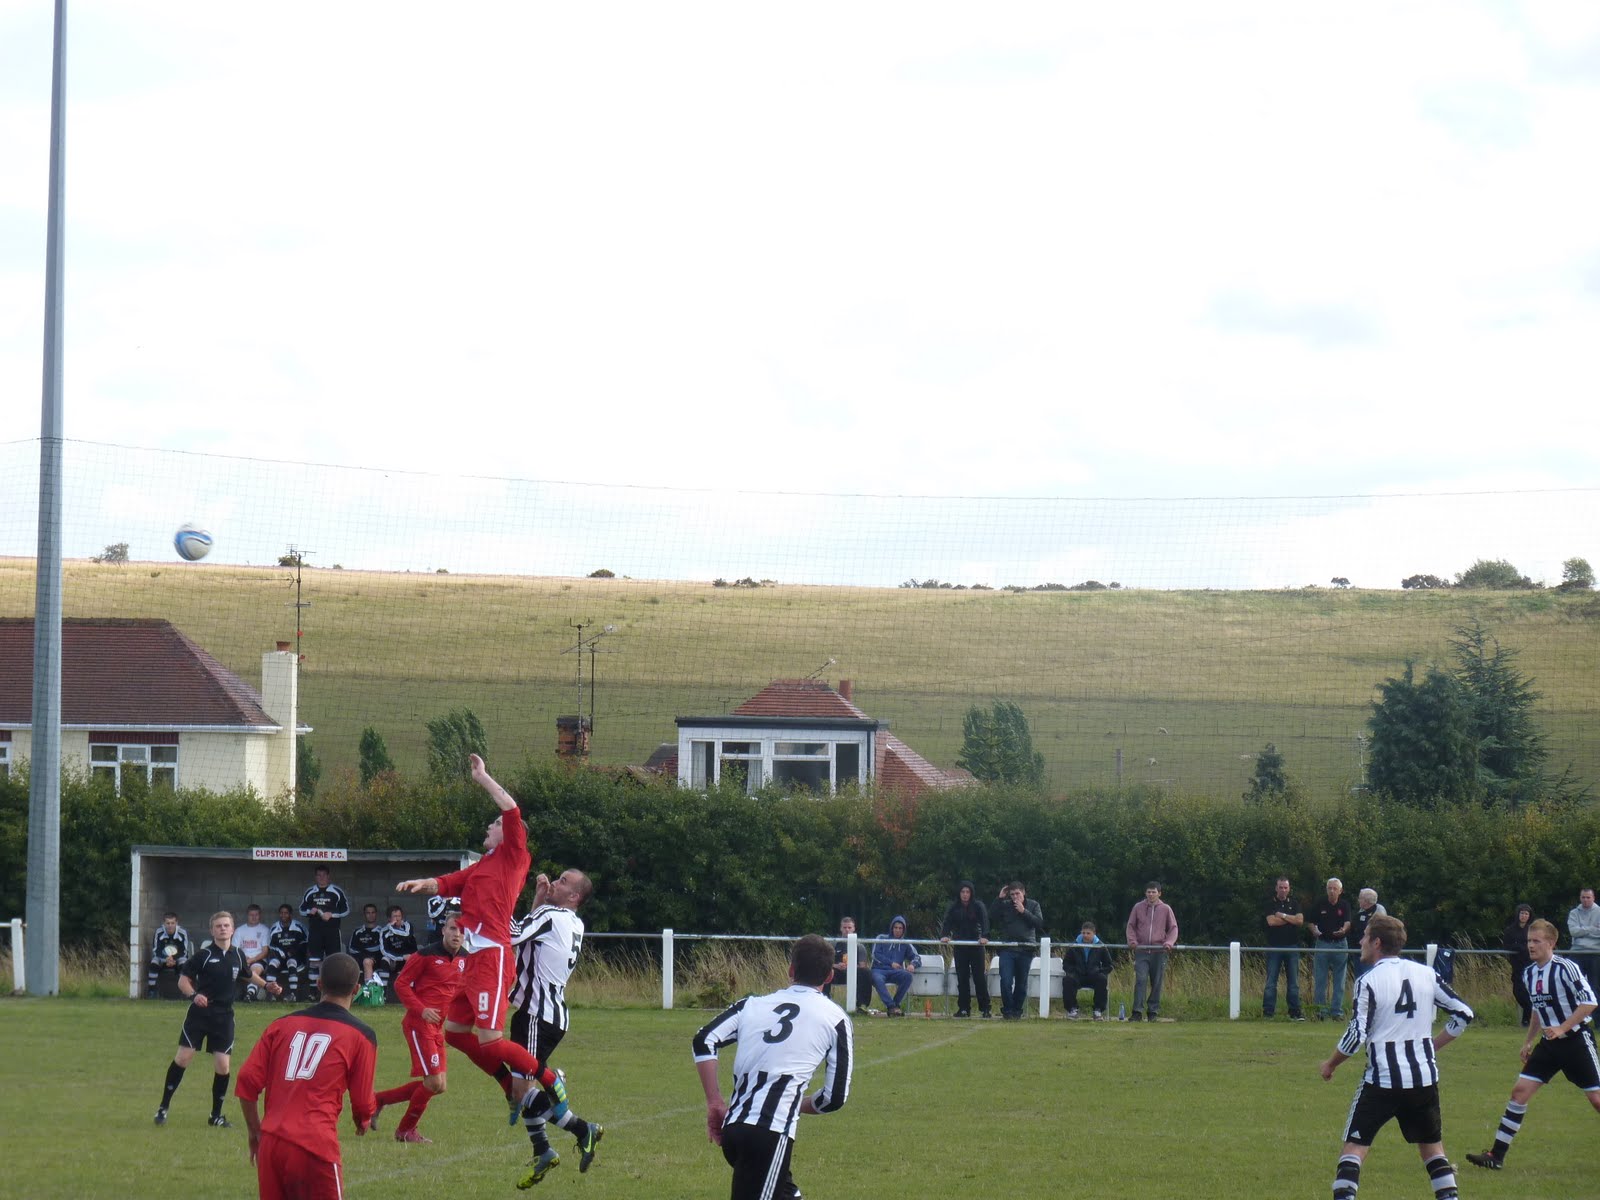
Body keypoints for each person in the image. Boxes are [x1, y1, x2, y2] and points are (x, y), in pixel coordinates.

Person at [395, 754, 568, 1128]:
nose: (489, 828)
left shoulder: (514, 855)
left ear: (508, 831)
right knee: (456, 1033)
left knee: (490, 1040)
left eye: (493, 825)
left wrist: (482, 777)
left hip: (492, 956)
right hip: (472, 961)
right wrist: (421, 883)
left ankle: (551, 1080)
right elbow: (447, 883)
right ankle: (509, 1085)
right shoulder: (483, 865)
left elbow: (511, 808)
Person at [1318, 914, 1474, 1200]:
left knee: (1354, 1149)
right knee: (1433, 1150)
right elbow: (1465, 1013)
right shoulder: (1426, 974)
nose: (1361, 941)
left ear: (1377, 942)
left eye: (1365, 936)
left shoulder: (1369, 981)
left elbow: (1356, 1034)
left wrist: (1330, 1064)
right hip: (1423, 1080)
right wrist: (1432, 1046)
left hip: (1383, 1081)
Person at [692, 934, 852, 1200]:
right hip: (769, 1134)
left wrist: (715, 1102)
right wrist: (795, 1103)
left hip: (734, 1128)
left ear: (791, 970)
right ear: (829, 977)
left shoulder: (752, 1004)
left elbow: (704, 1040)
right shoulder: (835, 1018)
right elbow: (834, 1098)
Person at [236, 952, 377, 1199]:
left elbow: (247, 1081)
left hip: (271, 1143)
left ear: (319, 984)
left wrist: (255, 1131)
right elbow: (364, 1103)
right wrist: (362, 1120)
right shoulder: (361, 1035)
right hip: (314, 1145)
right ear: (356, 989)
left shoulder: (281, 1024)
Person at [1465, 917, 1600, 1172]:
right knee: (1519, 1093)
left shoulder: (1565, 968)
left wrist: (1562, 1027)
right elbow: (1539, 1010)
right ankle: (1496, 1155)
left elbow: (1589, 1002)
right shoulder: (1529, 973)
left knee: (1596, 1100)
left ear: (1551, 943)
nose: (1530, 945)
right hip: (1549, 1045)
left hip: (1576, 1041)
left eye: (1536, 941)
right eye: (1529, 940)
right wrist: (1528, 1042)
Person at [502, 868, 604, 1188]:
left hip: (537, 1016)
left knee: (520, 1092)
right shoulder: (572, 921)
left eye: (562, 882)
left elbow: (513, 935)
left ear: (573, 897)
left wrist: (496, 897)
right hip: (545, 1016)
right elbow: (530, 935)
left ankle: (574, 1118)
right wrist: (537, 897)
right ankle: (543, 1149)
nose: (554, 883)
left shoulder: (552, 914)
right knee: (522, 1090)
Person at [154, 910, 277, 1127]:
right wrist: (194, 995)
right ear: (212, 930)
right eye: (218, 926)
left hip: (224, 1017)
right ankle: (163, 1107)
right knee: (183, 1058)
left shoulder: (238, 954)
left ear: (232, 928)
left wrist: (266, 985)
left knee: (223, 1066)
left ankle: (215, 1116)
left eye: (226, 925)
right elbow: (183, 981)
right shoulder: (203, 955)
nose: (222, 929)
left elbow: (247, 974)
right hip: (199, 1015)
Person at [373, 911, 466, 1144]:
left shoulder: (467, 959)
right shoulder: (424, 955)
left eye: (462, 930)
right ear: (443, 930)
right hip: (418, 1024)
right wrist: (421, 1009)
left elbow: (464, 990)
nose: (457, 934)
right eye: (453, 928)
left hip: (438, 1027)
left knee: (439, 1086)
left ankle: (379, 1100)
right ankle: (405, 1130)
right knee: (433, 1083)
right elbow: (401, 984)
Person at [990, 881, 1044, 1019]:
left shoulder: (1033, 905)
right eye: (1012, 894)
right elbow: (992, 916)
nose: (1015, 897)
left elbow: (1039, 923)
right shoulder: (1005, 905)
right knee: (1006, 981)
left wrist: (1023, 912)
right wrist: (999, 898)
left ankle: (1017, 1010)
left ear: (1023, 892)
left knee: (1021, 983)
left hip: (1026, 949)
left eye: (1017, 894)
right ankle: (1007, 1011)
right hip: (1007, 949)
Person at [1126, 881, 1178, 1022]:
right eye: (1148, 892)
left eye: (1154, 892)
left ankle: (1153, 1012)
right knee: (1141, 980)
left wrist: (1168, 943)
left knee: (1156, 982)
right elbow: (1131, 926)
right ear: (1145, 893)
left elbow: (1173, 928)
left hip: (1159, 952)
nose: (1151, 894)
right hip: (1142, 951)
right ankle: (1137, 1012)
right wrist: (1132, 941)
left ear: (1159, 893)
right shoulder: (1138, 907)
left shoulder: (1166, 909)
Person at [939, 880, 991, 1019]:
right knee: (962, 978)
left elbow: (985, 921)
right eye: (963, 892)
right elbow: (947, 922)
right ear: (959, 893)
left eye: (968, 892)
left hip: (976, 946)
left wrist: (984, 936)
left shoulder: (978, 906)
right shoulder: (954, 907)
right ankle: (963, 1008)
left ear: (971, 893)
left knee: (979, 978)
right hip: (960, 946)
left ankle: (985, 1009)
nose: (965, 895)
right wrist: (944, 935)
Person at [299, 864, 351, 1000]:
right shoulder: (310, 892)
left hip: (332, 932)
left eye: (324, 875)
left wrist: (332, 914)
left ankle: (332, 992)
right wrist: (309, 912)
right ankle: (313, 992)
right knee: (315, 961)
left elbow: (346, 910)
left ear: (328, 876)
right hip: (315, 931)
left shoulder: (336, 892)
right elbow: (301, 909)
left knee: (333, 961)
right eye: (318, 875)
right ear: (315, 877)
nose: (321, 878)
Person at [1263, 875, 1306, 1021]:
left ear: (1289, 889)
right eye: (1280, 887)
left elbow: (1299, 921)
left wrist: (1282, 915)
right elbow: (1271, 922)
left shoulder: (1294, 903)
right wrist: (1290, 920)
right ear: (1276, 888)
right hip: (1274, 947)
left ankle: (1295, 1012)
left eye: (1285, 887)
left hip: (1292, 947)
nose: (1283, 890)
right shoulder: (1270, 903)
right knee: (1271, 982)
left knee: (1293, 982)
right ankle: (1268, 1012)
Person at [1312, 877, 1353, 1021]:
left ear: (1340, 891)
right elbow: (1310, 922)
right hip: (1322, 943)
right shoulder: (1320, 904)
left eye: (1335, 888)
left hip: (1340, 943)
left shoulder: (1344, 905)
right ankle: (1320, 1012)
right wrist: (1314, 930)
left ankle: (1337, 1012)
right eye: (1329, 888)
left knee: (1339, 981)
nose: (1332, 891)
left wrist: (1344, 930)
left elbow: (1348, 922)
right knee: (1320, 979)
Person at [869, 915, 920, 1016]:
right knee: (877, 979)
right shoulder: (881, 938)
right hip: (879, 970)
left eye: (900, 928)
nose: (897, 930)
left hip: (896, 972)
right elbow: (875, 954)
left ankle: (895, 1005)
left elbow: (917, 957)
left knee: (907, 976)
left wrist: (913, 965)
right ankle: (891, 1006)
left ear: (903, 930)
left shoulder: (906, 943)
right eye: (895, 928)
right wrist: (890, 963)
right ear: (891, 928)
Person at [1062, 920, 1113, 1020]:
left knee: (1102, 979)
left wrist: (1100, 971)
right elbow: (1066, 963)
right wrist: (1072, 971)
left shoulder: (1101, 946)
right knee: (1068, 980)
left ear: (1094, 934)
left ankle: (1098, 1010)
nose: (1085, 935)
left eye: (1088, 933)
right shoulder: (1074, 946)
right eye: (1083, 933)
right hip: (1078, 974)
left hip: (1093, 974)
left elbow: (1109, 965)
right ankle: (1072, 1009)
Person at [265, 903, 311, 1002]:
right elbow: (271, 945)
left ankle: (293, 994)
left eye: (286, 913)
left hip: (296, 957)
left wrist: (294, 951)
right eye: (281, 913)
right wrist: (280, 953)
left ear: (290, 914)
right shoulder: (274, 927)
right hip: (280, 956)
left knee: (291, 962)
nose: (283, 915)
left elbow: (305, 942)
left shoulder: (299, 926)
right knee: (272, 963)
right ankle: (271, 994)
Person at [828, 917, 872, 1012]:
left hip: (854, 974)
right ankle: (824, 1001)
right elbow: (826, 962)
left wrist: (851, 966)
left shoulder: (860, 946)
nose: (847, 930)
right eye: (844, 927)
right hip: (838, 973)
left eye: (849, 927)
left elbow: (862, 965)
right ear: (840, 929)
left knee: (866, 972)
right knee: (825, 970)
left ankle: (862, 1005)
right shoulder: (833, 944)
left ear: (853, 928)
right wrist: (836, 966)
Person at [1501, 903, 1534, 1026]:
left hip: (1530, 964)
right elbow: (1507, 945)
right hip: (1517, 965)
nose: (1524, 916)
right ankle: (1529, 1012)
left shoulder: (1532, 929)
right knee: (1518, 991)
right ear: (1518, 914)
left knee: (1529, 990)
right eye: (1522, 913)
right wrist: (1519, 946)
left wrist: (1523, 947)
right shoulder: (1510, 930)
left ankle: (1527, 1020)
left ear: (1529, 916)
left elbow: (1532, 944)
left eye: (1526, 913)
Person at [1346, 888, 1385, 992]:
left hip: (1370, 954)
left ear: (1366, 900)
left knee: (1369, 980)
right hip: (1357, 952)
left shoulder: (1378, 913)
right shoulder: (1359, 913)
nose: (1359, 900)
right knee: (1359, 980)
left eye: (1360, 898)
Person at [147, 912, 192, 999]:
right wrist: (166, 959)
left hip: (178, 958)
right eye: (168, 923)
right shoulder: (158, 932)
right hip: (163, 958)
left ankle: (185, 992)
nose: (170, 925)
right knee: (154, 963)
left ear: (176, 923)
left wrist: (173, 959)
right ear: (164, 923)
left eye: (172, 923)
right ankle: (151, 991)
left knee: (184, 964)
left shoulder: (183, 933)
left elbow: (184, 951)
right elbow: (157, 950)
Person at [235, 905, 273, 1001]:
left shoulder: (265, 930)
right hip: (242, 959)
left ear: (260, 915)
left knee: (254, 969)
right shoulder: (239, 930)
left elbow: (265, 951)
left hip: (258, 960)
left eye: (256, 915)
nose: (254, 917)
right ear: (247, 915)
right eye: (251, 915)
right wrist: (245, 959)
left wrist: (252, 959)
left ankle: (250, 993)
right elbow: (235, 949)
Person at [1566, 887, 1600, 988]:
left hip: (1596, 953)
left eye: (1588, 897)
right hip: (1577, 951)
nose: (1585, 899)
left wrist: (1581, 930)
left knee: (1595, 986)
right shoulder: (1573, 913)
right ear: (1580, 898)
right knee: (1574, 985)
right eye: (1583, 897)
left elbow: (1578, 931)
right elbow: (1573, 932)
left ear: (1593, 898)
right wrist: (1593, 928)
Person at [379, 904, 419, 990]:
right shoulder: (384, 931)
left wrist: (392, 929)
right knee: (384, 960)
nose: (397, 919)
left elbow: (406, 935)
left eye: (399, 916)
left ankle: (411, 991)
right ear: (389, 918)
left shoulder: (407, 926)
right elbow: (384, 950)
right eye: (395, 916)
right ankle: (383, 994)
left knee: (410, 959)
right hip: (395, 958)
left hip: (408, 957)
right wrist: (400, 957)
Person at [348, 903, 385, 987]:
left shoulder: (382, 931)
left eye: (373, 912)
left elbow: (380, 948)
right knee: (345, 962)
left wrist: (364, 950)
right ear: (364, 915)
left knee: (367, 961)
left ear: (376, 914)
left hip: (376, 959)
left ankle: (369, 990)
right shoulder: (358, 931)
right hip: (360, 957)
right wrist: (365, 952)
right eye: (368, 913)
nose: (370, 915)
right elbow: (352, 948)